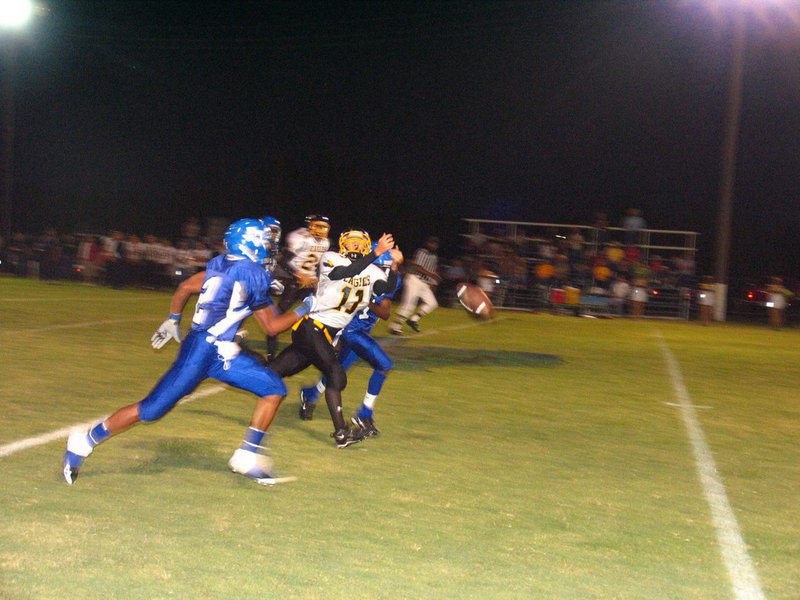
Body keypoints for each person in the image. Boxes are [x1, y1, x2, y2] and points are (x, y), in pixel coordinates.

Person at [63, 218, 314, 486]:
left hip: (218, 350)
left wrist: (173, 318)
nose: (268, 247)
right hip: (202, 352)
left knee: (273, 389)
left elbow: (186, 287)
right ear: (250, 243)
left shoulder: (220, 262)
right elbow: (273, 326)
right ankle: (84, 440)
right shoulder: (251, 273)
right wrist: (306, 306)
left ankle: (247, 456)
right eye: (264, 241)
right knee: (150, 411)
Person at [269, 229, 401, 448]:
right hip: (312, 327)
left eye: (360, 243)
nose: (356, 246)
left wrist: (394, 267)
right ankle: (341, 433)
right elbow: (344, 274)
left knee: (274, 371)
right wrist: (376, 253)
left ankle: (238, 359)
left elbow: (385, 289)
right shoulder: (331, 258)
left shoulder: (372, 270)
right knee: (336, 375)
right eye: (352, 242)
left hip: (324, 333)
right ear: (342, 245)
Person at [298, 244, 402, 436]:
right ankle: (364, 414)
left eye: (387, 268)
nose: (383, 272)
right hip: (350, 329)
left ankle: (311, 394)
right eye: (383, 267)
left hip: (359, 328)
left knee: (338, 370)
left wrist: (371, 295)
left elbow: (385, 310)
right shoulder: (358, 274)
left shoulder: (385, 278)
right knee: (384, 365)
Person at [267, 214, 331, 361]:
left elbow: (319, 265)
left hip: (310, 283)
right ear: (310, 225)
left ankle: (322, 350)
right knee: (276, 317)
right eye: (318, 226)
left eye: (324, 227)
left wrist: (317, 279)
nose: (321, 230)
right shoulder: (299, 237)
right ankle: (271, 357)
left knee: (322, 313)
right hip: (294, 282)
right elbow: (283, 261)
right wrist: (298, 275)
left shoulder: (325, 242)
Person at [389, 235, 440, 334]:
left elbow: (432, 271)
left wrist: (431, 281)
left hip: (424, 282)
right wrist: (431, 275)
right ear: (428, 243)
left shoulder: (434, 257)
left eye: (435, 244)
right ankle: (395, 326)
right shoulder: (422, 252)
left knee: (432, 303)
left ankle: (413, 320)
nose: (434, 245)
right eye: (432, 243)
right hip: (414, 279)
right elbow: (417, 266)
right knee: (409, 305)